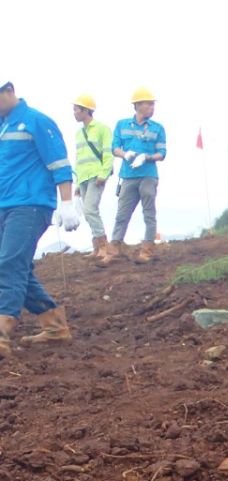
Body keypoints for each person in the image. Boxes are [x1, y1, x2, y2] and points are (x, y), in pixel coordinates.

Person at [0, 80, 79, 359]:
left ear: (8, 91)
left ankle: (3, 329)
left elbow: (59, 163)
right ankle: (54, 326)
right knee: (17, 265)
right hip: (5, 205)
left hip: (31, 205)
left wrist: (67, 202)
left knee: (9, 263)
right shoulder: (3, 125)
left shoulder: (37, 121)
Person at [101, 87, 166, 266]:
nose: (152, 108)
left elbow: (162, 152)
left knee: (149, 213)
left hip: (148, 175)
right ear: (137, 105)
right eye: (149, 104)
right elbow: (114, 147)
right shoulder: (122, 125)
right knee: (122, 214)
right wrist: (125, 154)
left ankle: (147, 250)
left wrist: (147, 157)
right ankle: (113, 250)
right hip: (128, 176)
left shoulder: (157, 128)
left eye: (153, 104)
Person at [71, 94, 112, 260]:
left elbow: (108, 153)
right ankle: (97, 247)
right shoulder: (79, 133)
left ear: (86, 110)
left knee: (90, 210)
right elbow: (79, 158)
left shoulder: (102, 128)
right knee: (88, 212)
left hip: (96, 175)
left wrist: (104, 174)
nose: (73, 113)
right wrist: (77, 184)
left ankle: (104, 247)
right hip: (83, 178)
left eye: (76, 110)